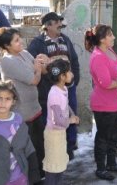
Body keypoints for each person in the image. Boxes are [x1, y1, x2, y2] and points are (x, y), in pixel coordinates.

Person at [0, 27, 46, 179]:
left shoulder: (24, 53)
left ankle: (38, 176)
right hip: (21, 115)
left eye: (19, 38)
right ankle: (29, 179)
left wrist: (43, 62)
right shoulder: (7, 61)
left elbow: (41, 69)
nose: (21, 42)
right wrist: (38, 69)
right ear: (7, 46)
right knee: (27, 153)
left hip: (34, 110)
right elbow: (34, 79)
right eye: (16, 40)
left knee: (39, 149)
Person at [85, 24, 117, 181]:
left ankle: (111, 163)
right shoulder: (98, 57)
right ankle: (101, 168)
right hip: (104, 105)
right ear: (101, 39)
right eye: (110, 35)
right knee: (103, 138)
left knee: (114, 136)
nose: (113, 37)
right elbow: (106, 83)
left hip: (115, 103)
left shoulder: (109, 50)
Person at [28, 12, 80, 160]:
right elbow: (33, 64)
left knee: (71, 115)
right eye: (57, 22)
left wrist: (74, 79)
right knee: (53, 119)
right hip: (49, 91)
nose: (60, 25)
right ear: (48, 25)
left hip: (69, 88)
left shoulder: (66, 40)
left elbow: (74, 60)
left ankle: (69, 148)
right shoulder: (37, 43)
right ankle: (52, 151)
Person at [44, 59, 80, 185]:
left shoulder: (62, 88)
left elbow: (66, 104)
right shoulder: (54, 94)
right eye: (69, 71)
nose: (72, 74)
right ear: (62, 76)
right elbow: (58, 121)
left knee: (59, 165)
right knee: (53, 168)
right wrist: (71, 120)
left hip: (59, 134)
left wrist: (72, 114)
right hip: (54, 135)